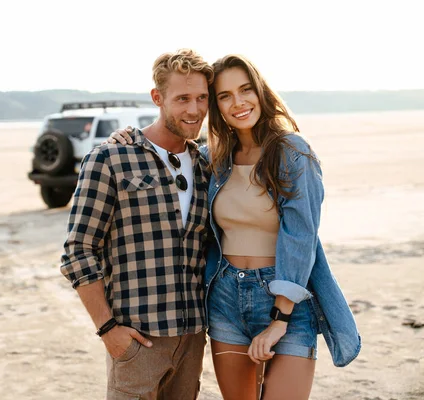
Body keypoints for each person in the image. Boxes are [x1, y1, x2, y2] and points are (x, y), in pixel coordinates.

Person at [108, 54, 361, 399]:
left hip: (285, 301)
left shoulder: (293, 153)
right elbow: (167, 148)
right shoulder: (215, 158)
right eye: (225, 96)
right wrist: (128, 138)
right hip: (225, 297)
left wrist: (279, 320)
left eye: (245, 90)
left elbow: (301, 236)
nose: (238, 102)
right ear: (217, 105)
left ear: (260, 92)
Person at [60, 49, 214, 399]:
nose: (194, 110)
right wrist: (107, 329)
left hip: (192, 339)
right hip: (137, 340)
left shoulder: (206, 165)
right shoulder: (110, 158)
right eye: (183, 98)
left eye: (202, 98)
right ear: (158, 98)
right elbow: (78, 251)